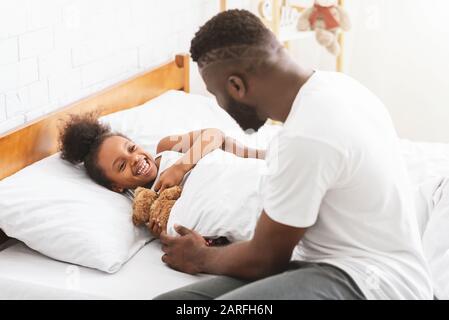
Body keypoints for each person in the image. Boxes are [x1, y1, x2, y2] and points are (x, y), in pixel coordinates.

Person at [154, 9, 433, 300]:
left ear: (236, 86)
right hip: (321, 266)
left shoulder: (306, 134)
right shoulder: (339, 87)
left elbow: (264, 260)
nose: (219, 105)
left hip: (371, 282)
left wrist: (200, 257)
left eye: (215, 94)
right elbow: (302, 167)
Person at [59, 112, 264, 237]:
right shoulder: (146, 207)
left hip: (243, 175)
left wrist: (180, 167)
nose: (135, 159)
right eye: (121, 166)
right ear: (117, 187)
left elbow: (214, 135)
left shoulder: (166, 148)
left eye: (131, 148)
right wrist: (164, 234)